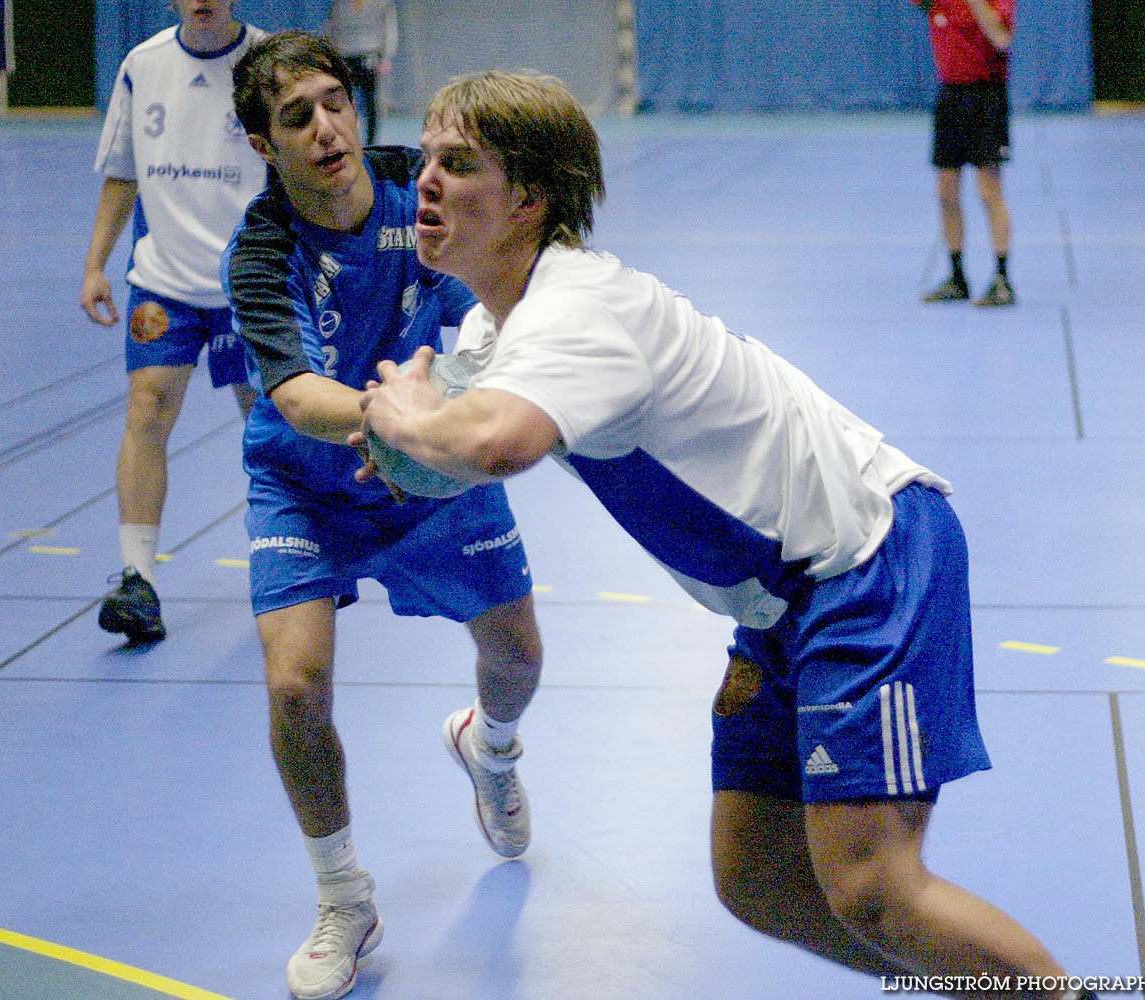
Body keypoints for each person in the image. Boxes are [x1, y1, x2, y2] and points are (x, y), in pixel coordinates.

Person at [355, 70, 1097, 1000]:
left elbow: (496, 442)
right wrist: (401, 436)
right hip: (782, 604)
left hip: (867, 562)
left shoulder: (577, 309)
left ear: (530, 199)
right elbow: (453, 433)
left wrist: (405, 418)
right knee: (754, 877)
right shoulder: (490, 330)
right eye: (423, 158)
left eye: (457, 164)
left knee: (871, 884)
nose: (423, 180)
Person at [224, 33, 544, 1000]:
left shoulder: (424, 184)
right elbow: (291, 394)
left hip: (430, 474)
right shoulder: (261, 252)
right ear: (262, 143)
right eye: (295, 118)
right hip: (311, 479)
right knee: (294, 687)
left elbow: (510, 276)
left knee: (520, 662)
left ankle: (487, 748)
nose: (325, 129)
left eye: (334, 103)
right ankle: (344, 898)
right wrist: (392, 419)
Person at [82, 0, 267, 642]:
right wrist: (96, 265)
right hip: (163, 283)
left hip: (251, 282)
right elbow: (121, 173)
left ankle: (295, 557)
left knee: (270, 420)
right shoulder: (142, 65)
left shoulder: (272, 66)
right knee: (147, 410)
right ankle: (138, 580)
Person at [918, 0, 1018, 307]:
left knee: (989, 191)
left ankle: (1002, 280)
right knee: (946, 191)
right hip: (950, 96)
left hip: (986, 95)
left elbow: (1001, 39)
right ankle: (957, 278)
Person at [325, 0, 398, 145]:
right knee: (342, 100)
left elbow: (390, 29)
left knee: (371, 103)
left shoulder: (381, 4)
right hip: (344, 56)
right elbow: (332, 28)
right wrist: (331, 56)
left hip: (369, 56)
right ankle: (344, 136)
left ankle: (371, 142)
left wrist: (385, 57)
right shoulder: (339, 4)